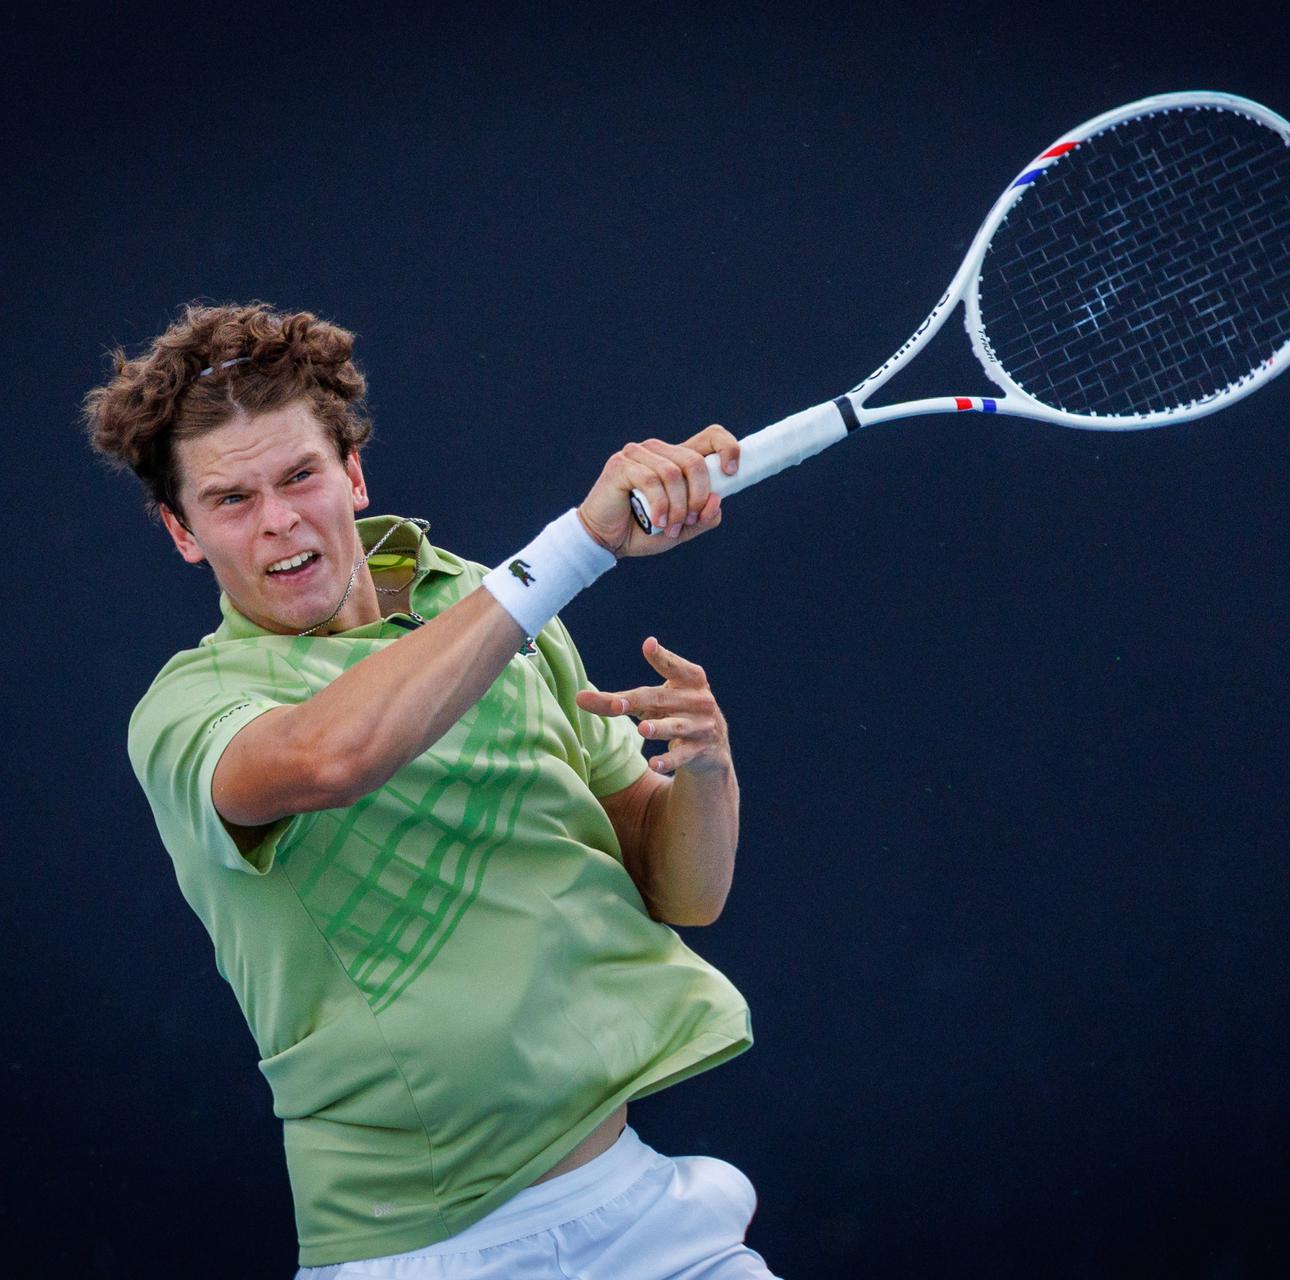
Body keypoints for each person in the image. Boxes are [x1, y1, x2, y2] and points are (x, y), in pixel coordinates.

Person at [84, 302, 778, 1277]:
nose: (279, 520)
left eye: (299, 475)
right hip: (421, 1251)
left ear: (353, 473)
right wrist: (578, 544)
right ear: (182, 531)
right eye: (232, 499)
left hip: (642, 1213)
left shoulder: (487, 602)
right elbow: (331, 758)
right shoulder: (189, 708)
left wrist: (706, 769)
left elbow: (683, 891)